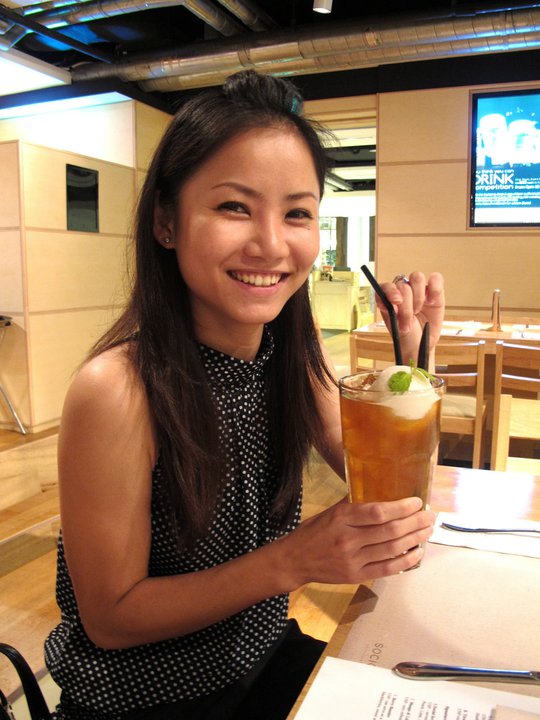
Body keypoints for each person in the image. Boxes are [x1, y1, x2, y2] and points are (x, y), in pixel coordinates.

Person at [44, 70, 445, 720]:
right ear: (167, 222)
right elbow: (111, 618)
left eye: (297, 213)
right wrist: (294, 560)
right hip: (144, 700)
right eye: (235, 207)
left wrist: (416, 360)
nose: (272, 243)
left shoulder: (292, 352)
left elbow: (386, 488)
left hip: (260, 658)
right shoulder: (117, 389)